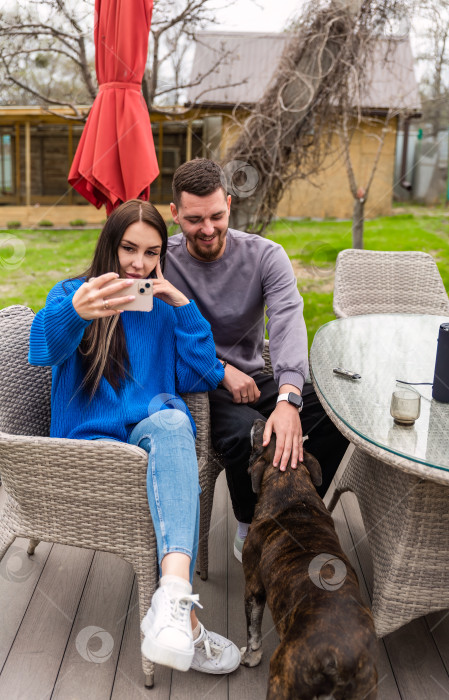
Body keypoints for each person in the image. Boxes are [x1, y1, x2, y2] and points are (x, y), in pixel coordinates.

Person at [28, 199, 240, 675]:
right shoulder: (73, 294)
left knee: (171, 421)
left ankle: (172, 598)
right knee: (171, 431)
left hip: (150, 437)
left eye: (151, 252)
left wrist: (181, 305)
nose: (139, 264)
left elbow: (202, 374)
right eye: (129, 249)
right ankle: (185, 626)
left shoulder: (160, 308)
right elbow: (41, 350)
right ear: (110, 245)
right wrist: (76, 313)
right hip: (90, 447)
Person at [164, 159, 348, 561]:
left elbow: (287, 323)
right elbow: (157, 336)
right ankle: (249, 526)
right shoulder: (160, 259)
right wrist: (221, 370)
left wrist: (288, 399)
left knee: (338, 414)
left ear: (229, 204)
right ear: (174, 213)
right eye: (194, 219)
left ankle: (282, 512)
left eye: (217, 215)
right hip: (194, 384)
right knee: (252, 433)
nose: (208, 229)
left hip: (255, 380)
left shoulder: (266, 256)